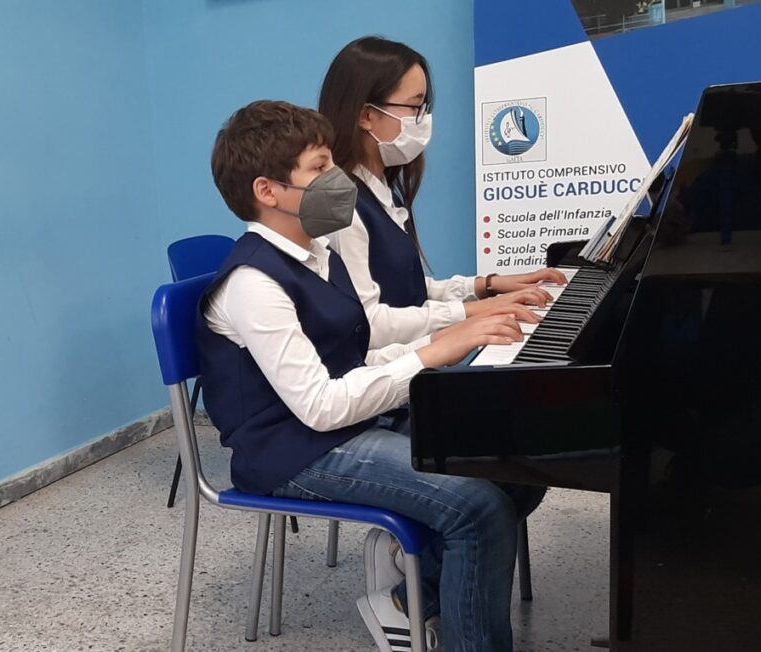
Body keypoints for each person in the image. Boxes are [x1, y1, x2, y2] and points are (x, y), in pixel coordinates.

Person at [199, 99, 526, 651]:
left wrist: (445, 340)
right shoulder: (253, 284)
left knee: (516, 464)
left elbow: (351, 354)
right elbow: (320, 405)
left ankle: (414, 600)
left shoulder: (318, 253)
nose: (337, 177)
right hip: (291, 451)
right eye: (320, 166)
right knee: (477, 507)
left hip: (345, 422)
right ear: (267, 191)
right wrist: (430, 354)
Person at [318, 36, 569, 349]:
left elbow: (401, 290)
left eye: (425, 107)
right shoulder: (339, 204)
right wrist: (475, 311)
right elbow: (369, 323)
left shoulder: (379, 188)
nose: (423, 120)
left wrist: (488, 286)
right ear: (366, 116)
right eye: (414, 107)